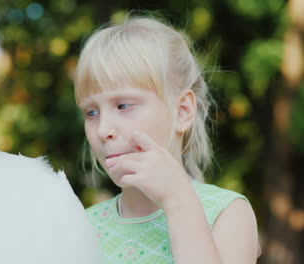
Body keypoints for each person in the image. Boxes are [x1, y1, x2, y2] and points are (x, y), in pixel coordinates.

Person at [74, 16, 261, 263]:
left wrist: (177, 202)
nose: (102, 129)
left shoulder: (228, 212)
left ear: (183, 111)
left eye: (123, 105)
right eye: (92, 112)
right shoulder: (81, 227)